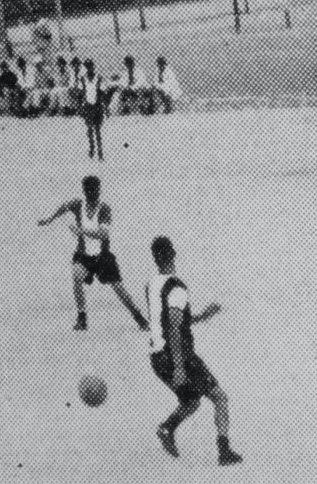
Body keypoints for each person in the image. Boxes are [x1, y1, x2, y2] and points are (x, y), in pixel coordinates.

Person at [145, 235, 243, 466]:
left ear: (155, 259)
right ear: (173, 255)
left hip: (157, 358)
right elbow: (175, 328)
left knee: (191, 401)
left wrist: (200, 316)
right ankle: (224, 451)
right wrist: (179, 367)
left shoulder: (151, 284)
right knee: (219, 398)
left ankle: (167, 428)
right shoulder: (177, 288)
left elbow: (166, 319)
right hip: (178, 357)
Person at [36, 175, 148, 331]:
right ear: (85, 191)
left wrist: (80, 230)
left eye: (95, 190)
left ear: (99, 190)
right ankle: (82, 318)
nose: (93, 193)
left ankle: (139, 318)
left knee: (119, 288)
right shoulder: (77, 205)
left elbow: (103, 234)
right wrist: (49, 219)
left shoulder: (104, 209)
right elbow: (64, 207)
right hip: (83, 257)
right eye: (90, 191)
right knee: (76, 276)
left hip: (103, 257)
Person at [78, 59, 107, 161]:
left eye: (91, 66)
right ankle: (92, 148)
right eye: (87, 67)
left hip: (97, 106)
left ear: (93, 67)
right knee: (89, 129)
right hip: (88, 106)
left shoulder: (99, 78)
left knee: (98, 130)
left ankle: (100, 152)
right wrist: (81, 106)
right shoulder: (82, 79)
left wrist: (104, 107)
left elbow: (103, 92)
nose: (89, 68)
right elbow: (81, 94)